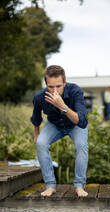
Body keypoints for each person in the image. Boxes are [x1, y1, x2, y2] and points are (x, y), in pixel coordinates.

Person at [30, 65, 88, 197]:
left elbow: (82, 122)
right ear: (46, 85)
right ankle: (50, 185)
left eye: (58, 86)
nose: (54, 90)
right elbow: (36, 117)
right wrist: (36, 134)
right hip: (54, 124)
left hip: (75, 124)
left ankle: (79, 186)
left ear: (64, 83)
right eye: (50, 87)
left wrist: (62, 106)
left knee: (81, 145)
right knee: (40, 143)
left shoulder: (75, 91)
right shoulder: (39, 97)